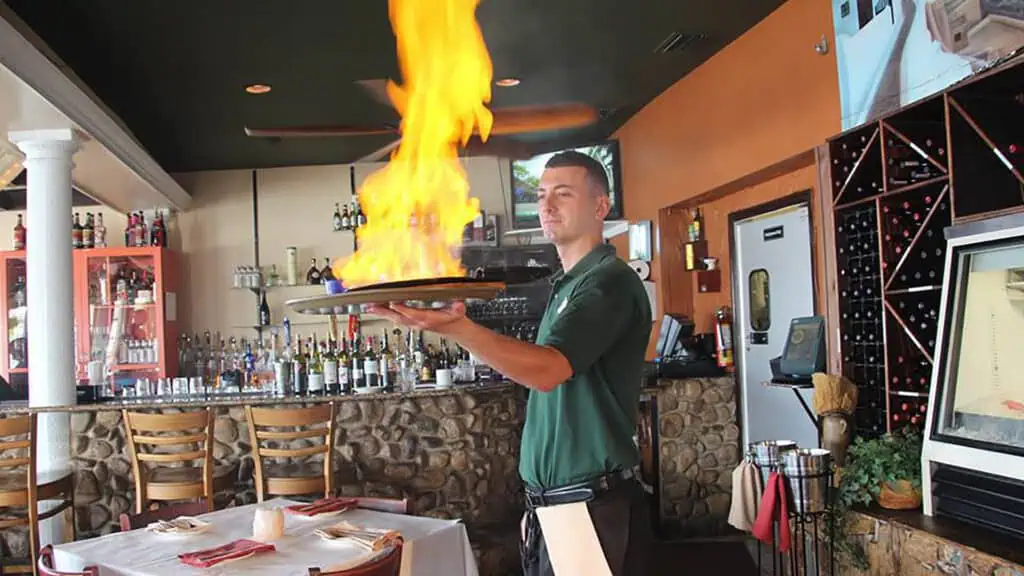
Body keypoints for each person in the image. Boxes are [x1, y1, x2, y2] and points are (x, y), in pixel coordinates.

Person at [370, 150, 653, 576]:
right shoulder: (568, 286)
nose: (546, 205)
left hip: (588, 508)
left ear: (600, 206)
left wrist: (459, 330)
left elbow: (548, 370)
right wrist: (536, 506)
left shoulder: (607, 283)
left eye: (563, 193)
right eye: (541, 195)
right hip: (556, 506)